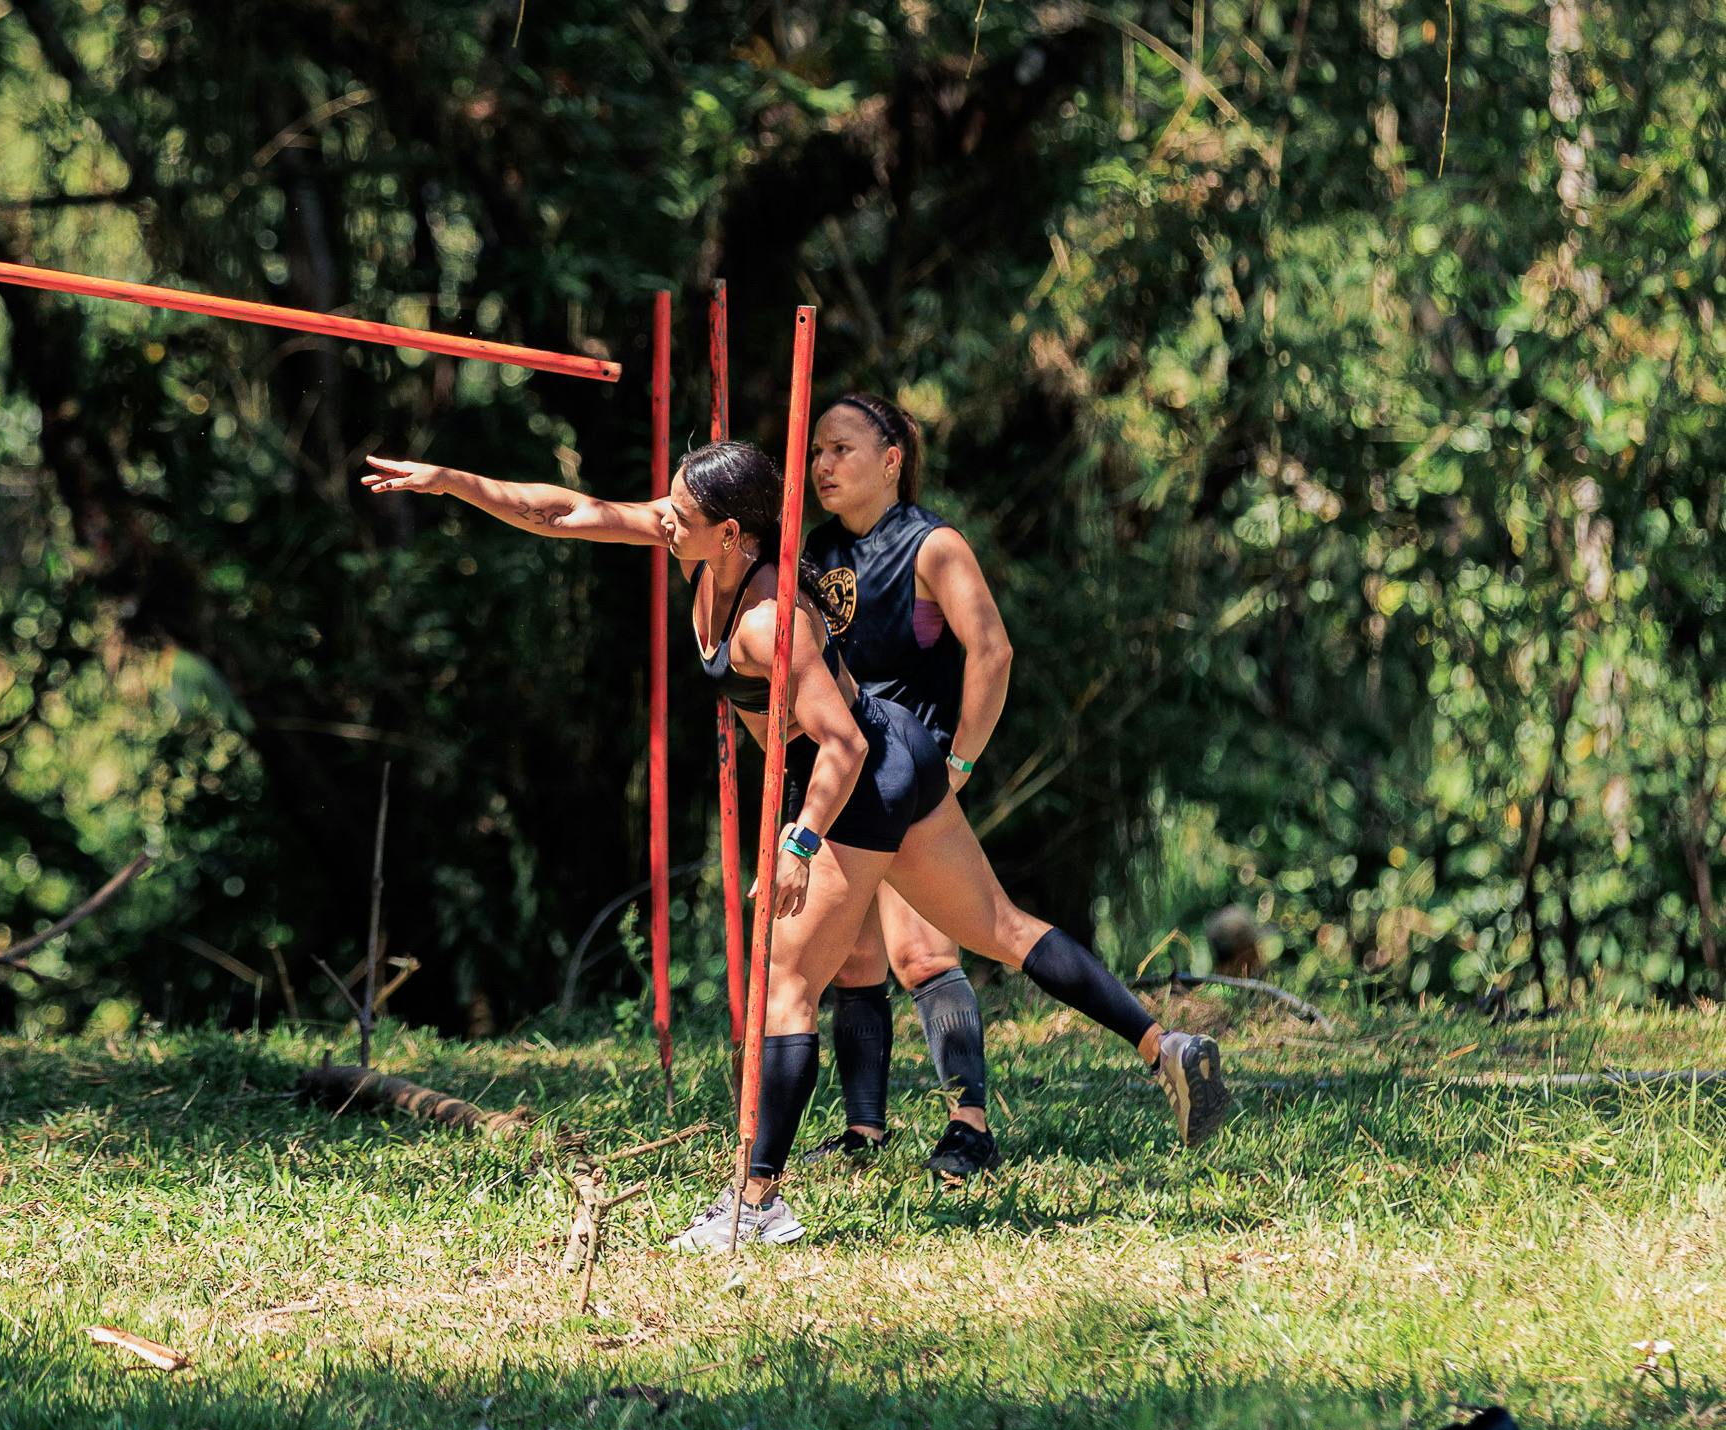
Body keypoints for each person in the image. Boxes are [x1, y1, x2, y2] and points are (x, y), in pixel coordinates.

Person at [361, 441, 1228, 1247]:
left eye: (678, 514)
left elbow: (840, 746)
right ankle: (1165, 1049)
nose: (660, 519)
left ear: (730, 533)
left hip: (856, 778)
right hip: (896, 752)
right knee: (1000, 926)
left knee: (785, 986)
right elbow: (567, 511)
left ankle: (755, 1201)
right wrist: (453, 483)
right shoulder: (703, 551)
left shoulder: (769, 621)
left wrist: (801, 840)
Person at [792, 392, 1014, 1180]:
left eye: (840, 449)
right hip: (846, 772)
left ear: (891, 460)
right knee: (853, 961)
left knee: (922, 952)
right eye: (815, 451)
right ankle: (864, 1132)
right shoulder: (811, 551)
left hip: (912, 774)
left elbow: (991, 650)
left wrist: (958, 763)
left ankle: (970, 1125)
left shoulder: (931, 544)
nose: (822, 465)